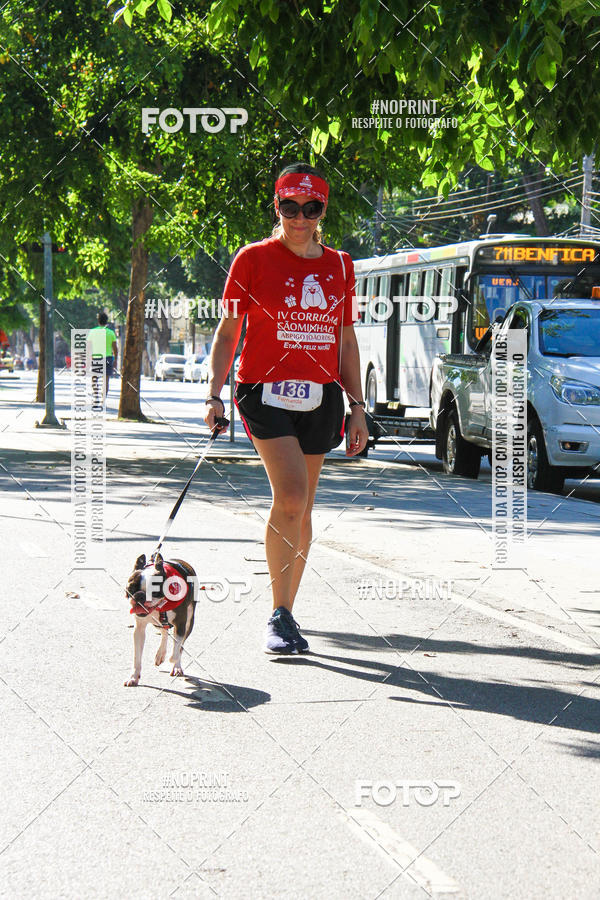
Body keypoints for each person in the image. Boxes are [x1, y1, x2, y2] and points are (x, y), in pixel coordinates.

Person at [204, 163, 369, 655]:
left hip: (322, 396)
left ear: (323, 209)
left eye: (311, 207)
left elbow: (345, 337)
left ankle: (288, 613)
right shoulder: (253, 259)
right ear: (277, 206)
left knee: (305, 508)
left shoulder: (340, 265)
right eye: (291, 207)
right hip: (264, 390)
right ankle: (277, 615)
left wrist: (358, 405)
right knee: (292, 496)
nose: (301, 217)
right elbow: (229, 332)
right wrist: (213, 393)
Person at [87, 312, 118, 400]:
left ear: (98, 321)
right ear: (106, 321)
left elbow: (88, 348)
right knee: (106, 380)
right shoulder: (111, 333)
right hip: (108, 358)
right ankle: (103, 400)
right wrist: (115, 361)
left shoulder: (92, 332)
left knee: (94, 378)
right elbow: (115, 348)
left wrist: (88, 360)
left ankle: (96, 396)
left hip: (96, 358)